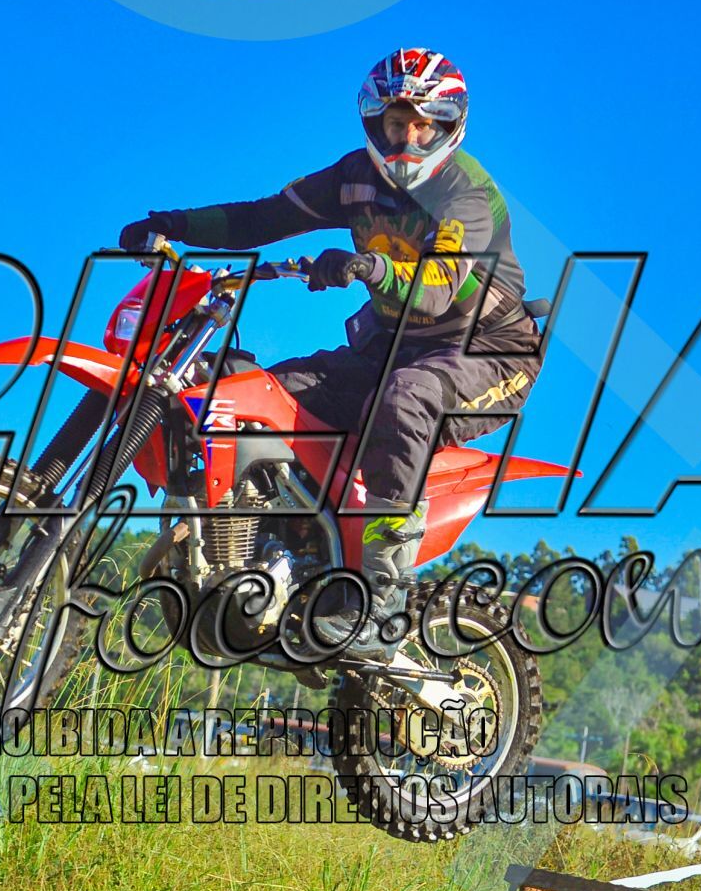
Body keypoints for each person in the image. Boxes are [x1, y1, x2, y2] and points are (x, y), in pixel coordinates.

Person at [118, 48, 542, 659]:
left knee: (408, 400)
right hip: (392, 349)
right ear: (374, 122)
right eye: (396, 123)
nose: (408, 138)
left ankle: (381, 599)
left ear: (449, 125)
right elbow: (264, 218)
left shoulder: (465, 192)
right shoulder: (353, 176)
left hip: (489, 354)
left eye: (423, 124)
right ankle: (282, 558)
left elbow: (437, 287)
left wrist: (369, 266)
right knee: (264, 394)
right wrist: (173, 224)